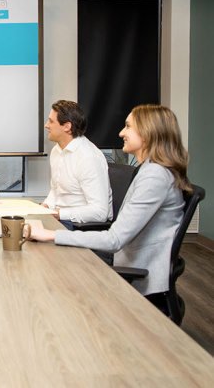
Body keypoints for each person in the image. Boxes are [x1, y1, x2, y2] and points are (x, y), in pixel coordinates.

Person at [31, 104, 190, 313]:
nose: (121, 132)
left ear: (148, 132)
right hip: (128, 259)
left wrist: (51, 235)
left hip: (141, 279)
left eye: (128, 127)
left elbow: (114, 240)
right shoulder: (150, 169)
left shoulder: (154, 176)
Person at [42, 100, 113, 229]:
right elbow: (56, 191)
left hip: (79, 225)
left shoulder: (89, 158)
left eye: (51, 121)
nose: (47, 125)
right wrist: (45, 206)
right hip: (61, 219)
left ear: (67, 126)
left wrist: (60, 214)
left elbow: (100, 212)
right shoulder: (56, 151)